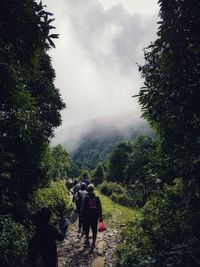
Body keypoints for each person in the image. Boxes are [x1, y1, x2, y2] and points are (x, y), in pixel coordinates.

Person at [81, 184, 103, 250]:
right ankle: (93, 243)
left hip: (87, 217)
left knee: (87, 229)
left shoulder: (86, 198)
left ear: (88, 190)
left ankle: (87, 240)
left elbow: (83, 208)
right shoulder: (97, 198)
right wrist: (101, 217)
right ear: (93, 190)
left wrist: (82, 216)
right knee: (94, 230)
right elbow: (100, 209)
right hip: (95, 217)